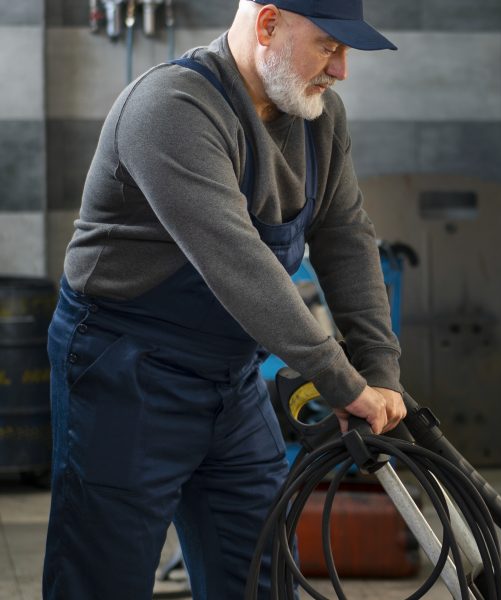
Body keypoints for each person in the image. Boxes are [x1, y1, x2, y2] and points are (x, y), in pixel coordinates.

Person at [42, 0, 405, 597]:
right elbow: (240, 266)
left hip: (230, 379)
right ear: (268, 25)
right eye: (329, 46)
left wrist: (381, 373)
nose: (341, 71)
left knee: (261, 570)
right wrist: (343, 384)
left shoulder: (319, 118)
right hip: (126, 370)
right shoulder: (171, 109)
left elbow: (345, 236)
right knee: (101, 578)